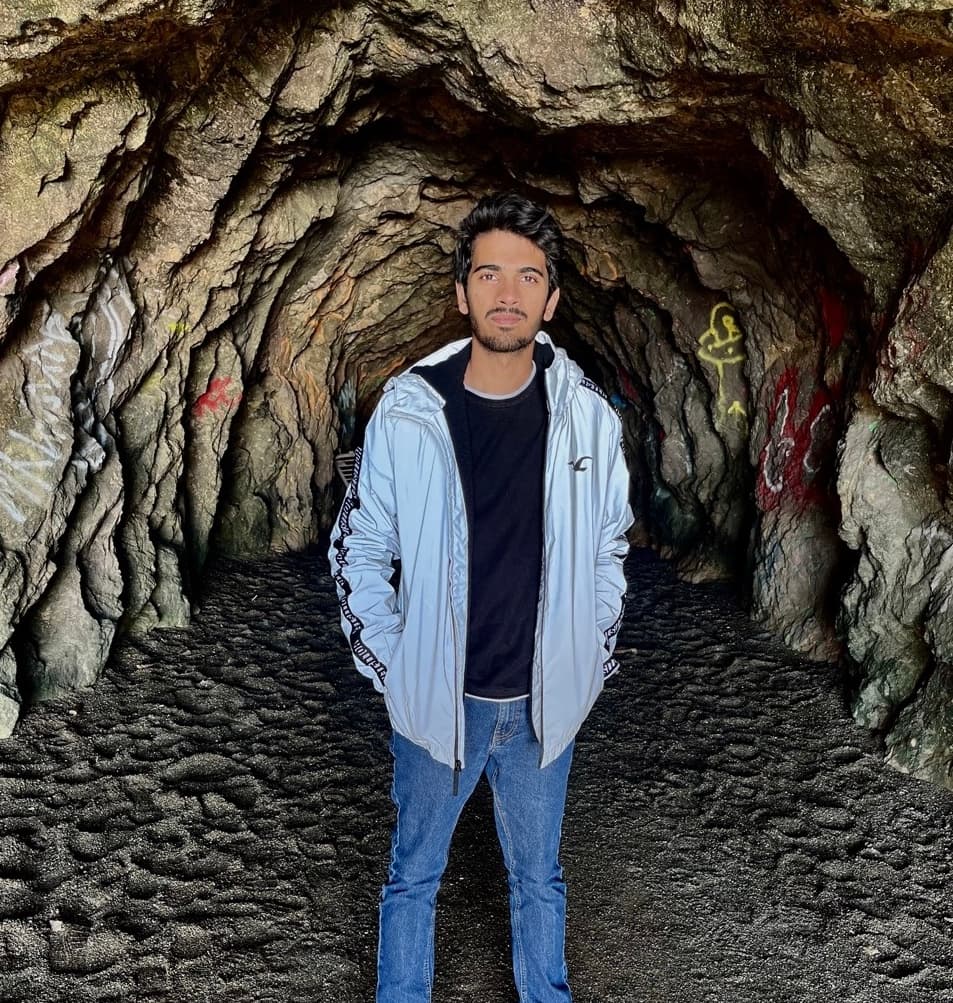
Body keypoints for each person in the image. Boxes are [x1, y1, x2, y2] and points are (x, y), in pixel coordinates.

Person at [329, 191, 632, 1003]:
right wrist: (395, 664)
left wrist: (590, 654)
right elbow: (360, 544)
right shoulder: (407, 411)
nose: (507, 292)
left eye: (527, 276)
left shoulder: (588, 421)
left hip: (543, 702)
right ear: (461, 293)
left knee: (540, 878)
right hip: (438, 698)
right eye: (488, 273)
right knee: (412, 876)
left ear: (551, 298)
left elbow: (608, 547)